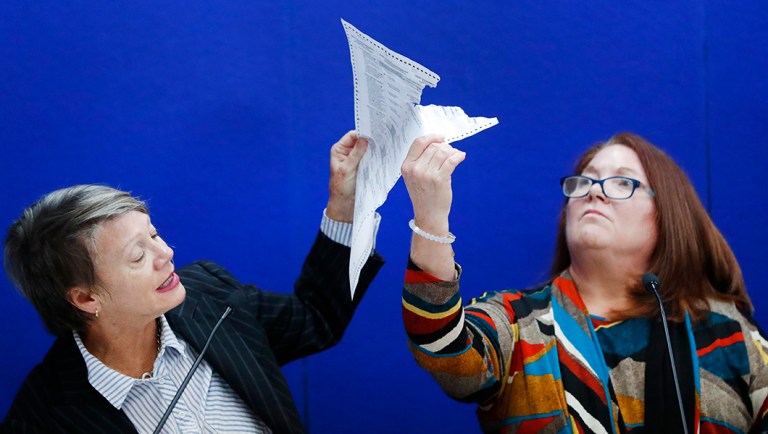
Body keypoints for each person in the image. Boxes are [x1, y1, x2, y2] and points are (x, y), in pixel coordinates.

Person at [1, 131, 384, 434]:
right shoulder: (40, 418)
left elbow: (315, 318)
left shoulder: (210, 295)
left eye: (153, 235)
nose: (166, 253)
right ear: (86, 298)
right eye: (138, 256)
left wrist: (344, 204)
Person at [400, 133, 768, 434]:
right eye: (585, 181)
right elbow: (445, 350)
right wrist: (431, 217)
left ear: (668, 213)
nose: (594, 191)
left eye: (622, 181)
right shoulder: (516, 320)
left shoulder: (727, 331)